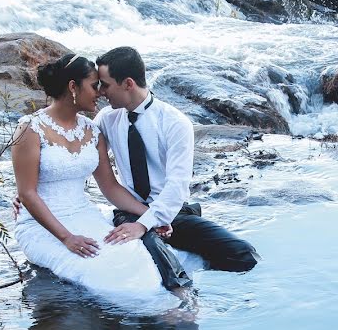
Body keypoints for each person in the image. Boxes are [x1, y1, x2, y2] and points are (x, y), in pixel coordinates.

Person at [11, 53, 189, 306]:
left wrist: (151, 217)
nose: (101, 93)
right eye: (95, 86)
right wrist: (66, 238)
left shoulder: (93, 129)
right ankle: (150, 313)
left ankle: (165, 312)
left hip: (84, 214)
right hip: (43, 225)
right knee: (100, 272)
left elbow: (110, 187)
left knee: (133, 255)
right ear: (73, 87)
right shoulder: (29, 128)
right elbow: (27, 193)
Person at [94, 46, 260, 289]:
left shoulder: (174, 122)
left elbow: (177, 186)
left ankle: (214, 287)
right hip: (129, 210)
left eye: (105, 85)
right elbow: (85, 161)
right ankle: (181, 301)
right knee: (157, 252)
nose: (101, 92)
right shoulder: (106, 119)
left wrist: (150, 221)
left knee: (244, 254)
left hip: (173, 212)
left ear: (128, 83)